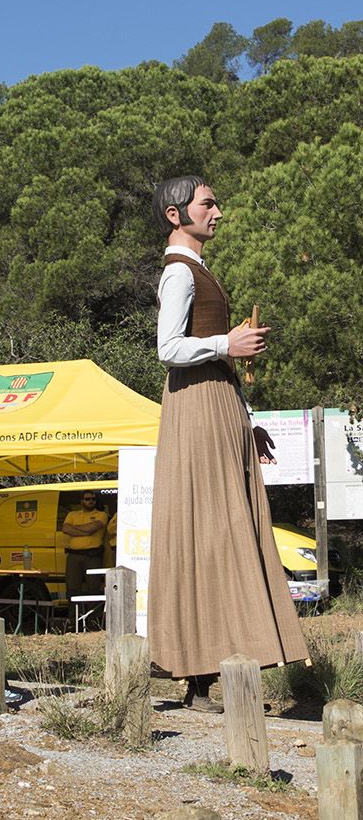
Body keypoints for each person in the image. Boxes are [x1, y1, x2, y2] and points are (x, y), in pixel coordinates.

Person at [148, 176, 308, 711]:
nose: (217, 211)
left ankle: (211, 670)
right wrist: (227, 342)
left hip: (216, 404)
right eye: (207, 203)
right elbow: (167, 347)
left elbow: (204, 353)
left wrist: (246, 418)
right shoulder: (178, 273)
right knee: (210, 528)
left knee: (221, 528)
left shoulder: (199, 271)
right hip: (195, 405)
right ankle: (200, 674)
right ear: (176, 215)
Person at [60, 491, 108, 601]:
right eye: (87, 499)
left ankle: (93, 618)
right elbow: (65, 529)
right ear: (81, 501)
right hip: (73, 556)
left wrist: (75, 529)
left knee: (93, 588)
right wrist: (85, 531)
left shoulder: (101, 514)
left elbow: (92, 528)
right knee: (72, 588)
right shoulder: (72, 514)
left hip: (92, 555)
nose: (91, 501)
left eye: (93, 499)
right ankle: (73, 617)